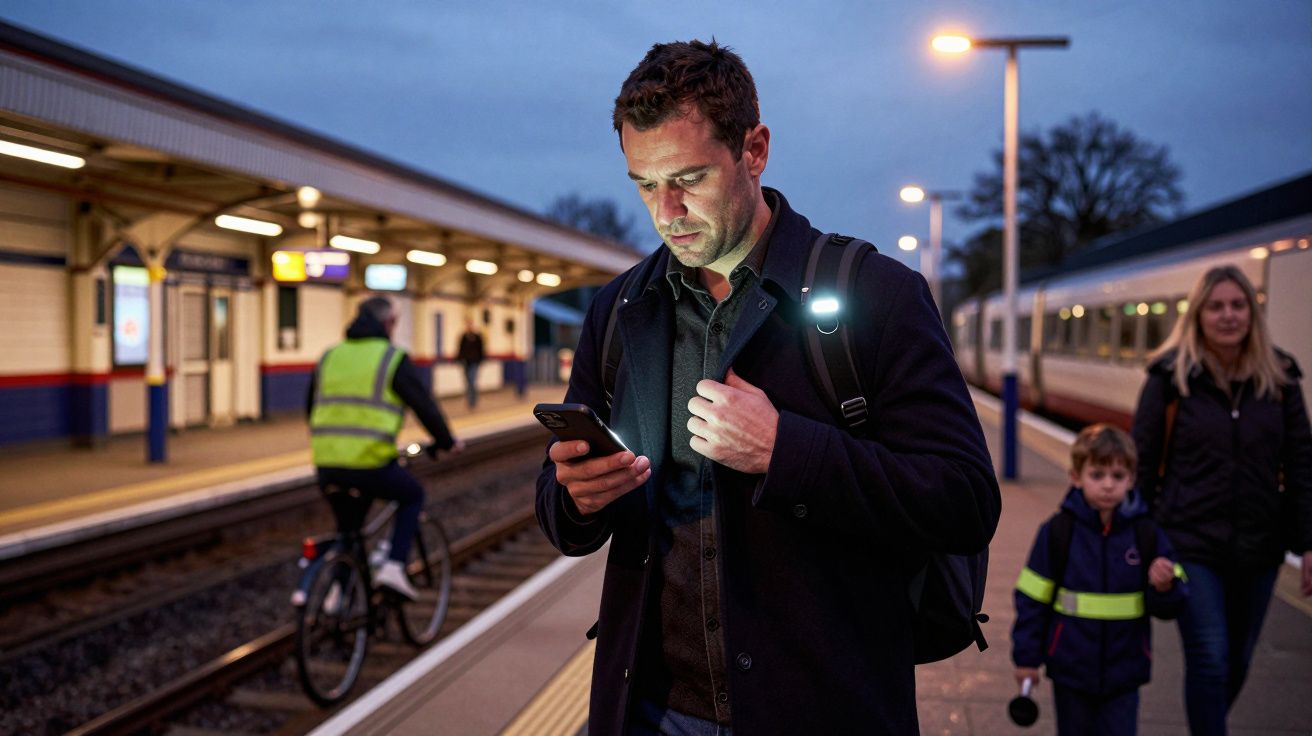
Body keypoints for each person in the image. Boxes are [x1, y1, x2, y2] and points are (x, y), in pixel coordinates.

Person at [534, 40, 1000, 735]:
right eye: (644, 184)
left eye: (689, 178)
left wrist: (789, 452)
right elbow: (562, 516)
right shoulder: (620, 310)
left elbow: (965, 501)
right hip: (655, 713)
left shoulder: (879, 296)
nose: (667, 211)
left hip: (823, 709)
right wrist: (574, 497)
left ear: (754, 150)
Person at [1131, 265, 1312, 736]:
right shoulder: (1170, 378)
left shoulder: (1281, 378)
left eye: (1238, 305)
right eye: (1216, 306)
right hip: (1190, 542)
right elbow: (1143, 466)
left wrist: (1308, 541)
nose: (1228, 315)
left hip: (1260, 546)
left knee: (1238, 662)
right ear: (1198, 315)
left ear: (1252, 313)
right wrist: (1145, 542)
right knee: (1210, 658)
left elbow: (1302, 463)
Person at [1012, 423, 1188, 736]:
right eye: (1097, 475)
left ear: (1131, 479)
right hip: (1070, 669)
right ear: (1076, 477)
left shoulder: (1147, 535)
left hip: (1126, 672)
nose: (1108, 485)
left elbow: (1173, 602)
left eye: (1118, 476)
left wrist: (1165, 586)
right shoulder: (1057, 532)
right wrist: (1026, 658)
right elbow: (1031, 600)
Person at [308, 297, 464, 599]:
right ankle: (394, 566)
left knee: (348, 529)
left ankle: (337, 595)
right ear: (388, 323)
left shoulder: (330, 356)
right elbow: (423, 405)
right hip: (370, 464)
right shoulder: (390, 358)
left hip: (326, 464)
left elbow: (310, 407)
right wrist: (446, 441)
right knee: (412, 496)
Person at [457, 320, 485, 409]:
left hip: (475, 362)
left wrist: (481, 360)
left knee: (472, 381)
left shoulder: (477, 337)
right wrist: (459, 360)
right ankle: (470, 400)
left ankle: (472, 401)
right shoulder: (463, 337)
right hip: (466, 362)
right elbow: (460, 350)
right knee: (468, 382)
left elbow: (481, 349)